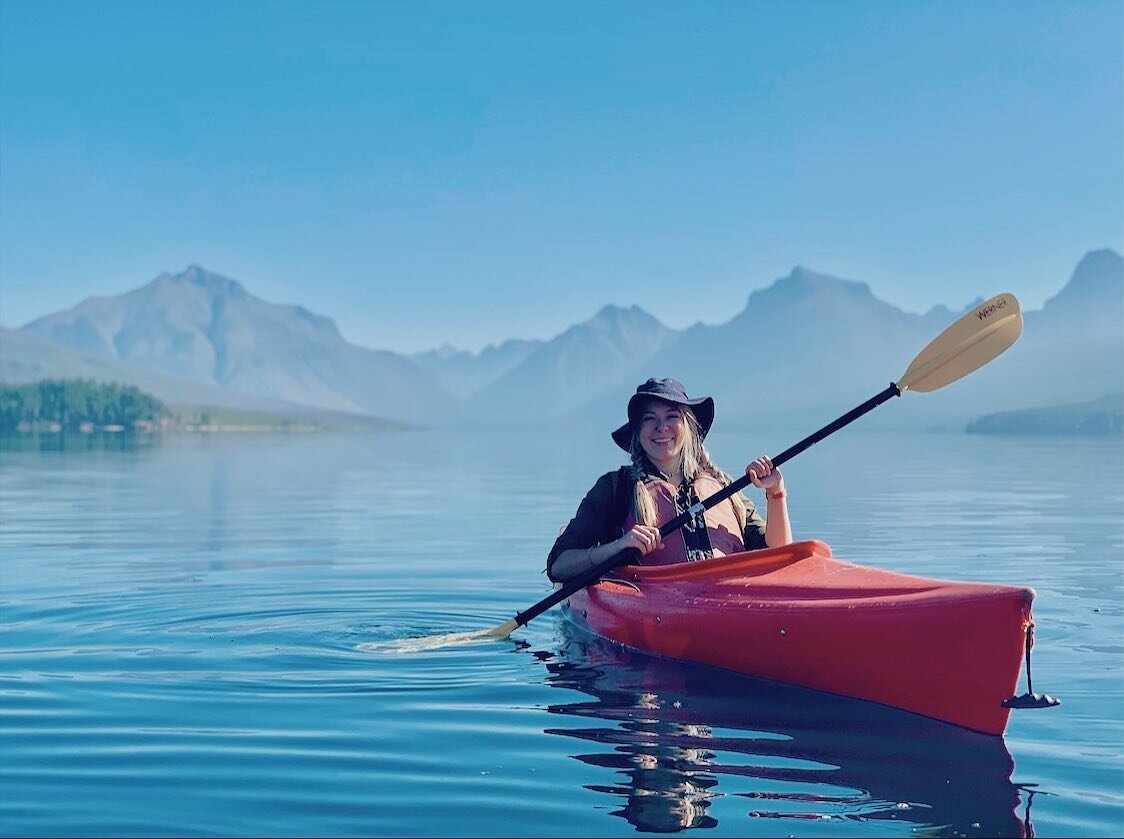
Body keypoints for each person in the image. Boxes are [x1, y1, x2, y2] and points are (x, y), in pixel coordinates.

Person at [547, 377, 792, 582]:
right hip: (654, 613)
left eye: (672, 416)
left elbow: (779, 556)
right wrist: (618, 547)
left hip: (731, 599)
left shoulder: (724, 486)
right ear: (638, 431)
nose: (661, 427)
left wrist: (776, 492)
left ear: (688, 426)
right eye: (649, 418)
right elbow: (559, 565)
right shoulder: (615, 489)